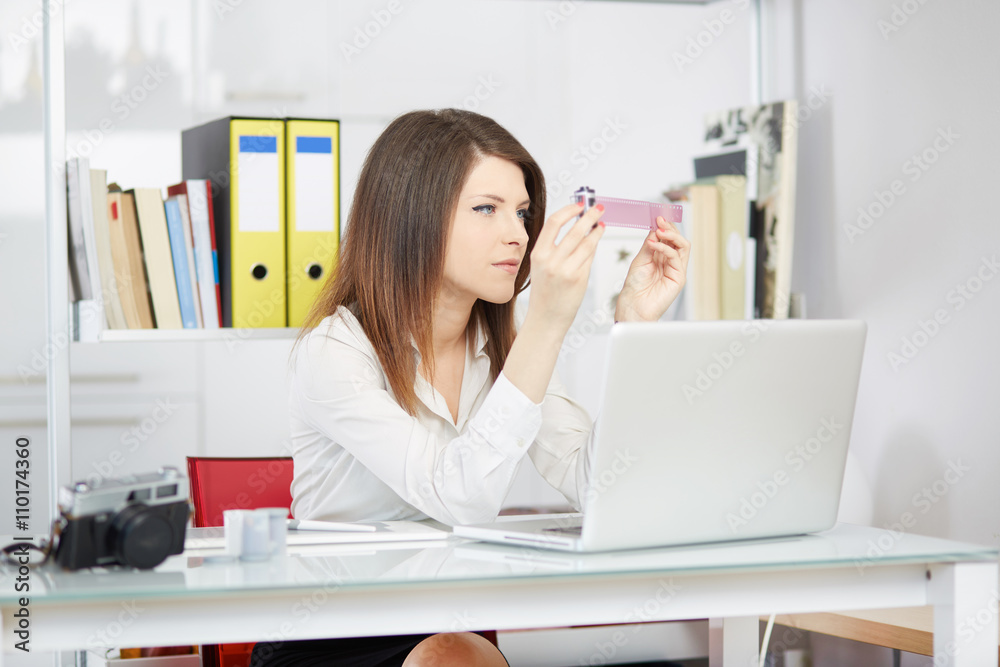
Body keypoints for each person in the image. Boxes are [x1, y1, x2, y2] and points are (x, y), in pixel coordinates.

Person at [250, 108, 690, 667]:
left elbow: (600, 487)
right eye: (487, 209)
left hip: (453, 627)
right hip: (336, 631)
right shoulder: (334, 351)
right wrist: (549, 321)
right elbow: (458, 497)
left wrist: (636, 329)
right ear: (412, 219)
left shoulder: (499, 347)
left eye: (524, 213)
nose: (517, 234)